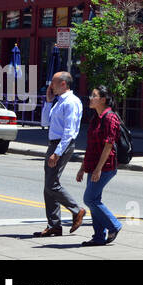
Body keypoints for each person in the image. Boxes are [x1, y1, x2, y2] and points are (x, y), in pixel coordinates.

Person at [35, 71, 85, 238]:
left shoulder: (71, 102)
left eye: (54, 83)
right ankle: (54, 225)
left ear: (63, 84)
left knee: (52, 184)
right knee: (48, 186)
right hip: (53, 143)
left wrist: (57, 153)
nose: (51, 86)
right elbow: (44, 123)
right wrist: (48, 102)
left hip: (62, 145)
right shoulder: (58, 101)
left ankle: (77, 210)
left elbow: (69, 131)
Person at [76, 85, 123, 245]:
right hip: (93, 165)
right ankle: (98, 237)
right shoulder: (95, 118)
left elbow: (108, 145)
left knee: (89, 199)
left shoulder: (110, 118)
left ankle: (114, 225)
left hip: (106, 167)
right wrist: (83, 168)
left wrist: (98, 169)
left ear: (103, 99)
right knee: (94, 200)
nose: (90, 98)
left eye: (94, 95)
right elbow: (90, 147)